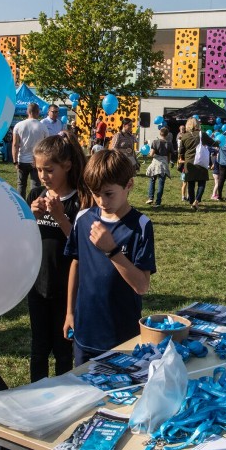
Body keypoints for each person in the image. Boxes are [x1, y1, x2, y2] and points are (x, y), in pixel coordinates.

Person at [63, 149, 156, 364]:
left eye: (108, 193)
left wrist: (112, 251)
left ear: (129, 185)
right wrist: (69, 312)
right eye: (96, 194)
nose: (101, 201)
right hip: (85, 331)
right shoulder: (84, 218)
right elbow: (75, 264)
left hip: (122, 335)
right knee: (85, 391)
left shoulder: (140, 226)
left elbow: (142, 286)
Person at [26, 134, 93, 382]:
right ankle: (36, 396)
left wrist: (61, 217)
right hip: (38, 286)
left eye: (49, 169)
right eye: (39, 169)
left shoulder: (80, 200)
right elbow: (22, 241)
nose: (43, 176)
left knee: (64, 350)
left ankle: (63, 397)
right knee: (38, 349)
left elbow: (82, 247)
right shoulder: (35, 196)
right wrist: (29, 218)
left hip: (67, 288)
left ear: (66, 165)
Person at [178, 117, 215, 211]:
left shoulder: (184, 136)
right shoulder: (201, 134)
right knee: (202, 182)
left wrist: (180, 160)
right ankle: (197, 201)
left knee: (190, 183)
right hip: (201, 161)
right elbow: (213, 143)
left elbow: (181, 151)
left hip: (189, 162)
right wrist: (218, 142)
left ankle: (191, 202)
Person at [12, 102, 49, 197]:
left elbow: (15, 144)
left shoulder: (18, 125)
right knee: (36, 186)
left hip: (22, 160)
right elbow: (46, 146)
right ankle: (34, 205)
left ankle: (21, 204)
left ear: (27, 112)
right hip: (37, 160)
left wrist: (15, 161)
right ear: (38, 112)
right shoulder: (43, 126)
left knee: (21, 184)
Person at [145, 127, 172, 207]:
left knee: (152, 180)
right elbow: (169, 156)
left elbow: (152, 154)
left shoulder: (155, 142)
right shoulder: (169, 144)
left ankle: (150, 198)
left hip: (155, 163)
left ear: (160, 133)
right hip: (164, 163)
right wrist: (167, 163)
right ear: (167, 134)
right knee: (161, 183)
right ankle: (158, 202)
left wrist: (149, 153)